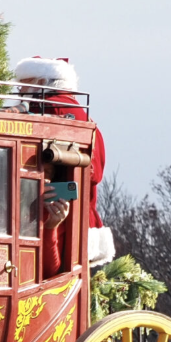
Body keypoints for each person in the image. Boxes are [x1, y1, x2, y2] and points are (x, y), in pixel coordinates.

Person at [12, 56, 109, 275]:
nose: (19, 90)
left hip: (68, 215)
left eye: (24, 83)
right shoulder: (78, 111)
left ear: (41, 82)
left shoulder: (51, 108)